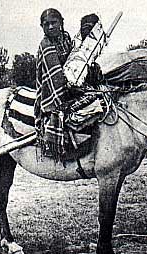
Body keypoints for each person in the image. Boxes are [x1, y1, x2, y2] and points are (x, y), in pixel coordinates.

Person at [34, 9, 102, 158]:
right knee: (70, 109)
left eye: (54, 23)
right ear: (42, 27)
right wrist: (73, 86)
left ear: (61, 23)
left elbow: (73, 61)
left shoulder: (66, 38)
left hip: (69, 81)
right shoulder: (45, 45)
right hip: (52, 91)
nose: (50, 27)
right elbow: (55, 76)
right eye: (46, 24)